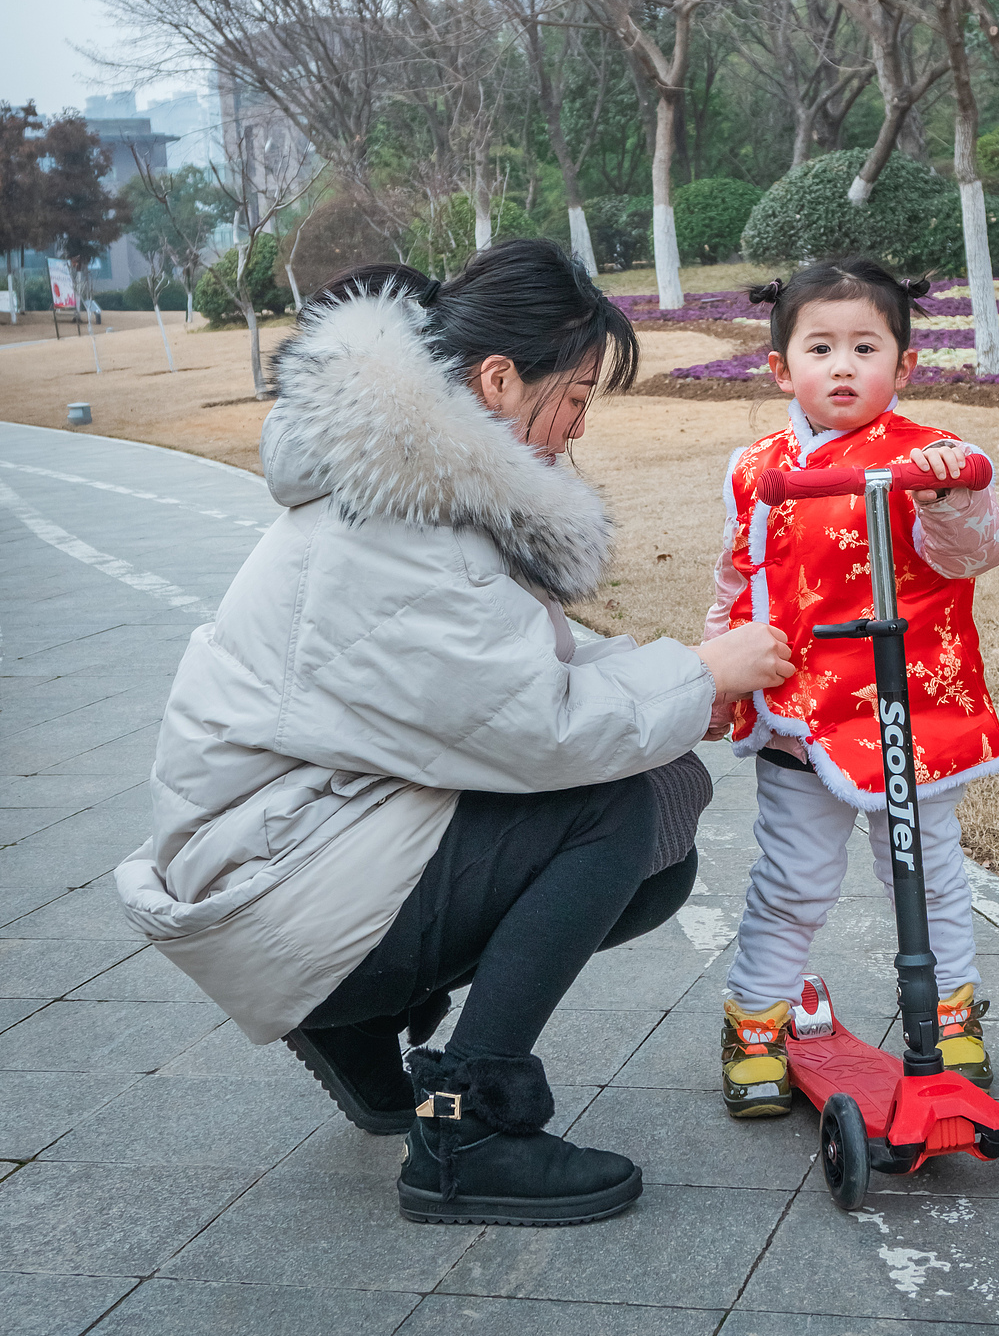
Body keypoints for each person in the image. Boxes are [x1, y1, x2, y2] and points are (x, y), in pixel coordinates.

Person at [116, 241, 792, 1227]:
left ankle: (361, 1022)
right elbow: (540, 729)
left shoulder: (407, 475)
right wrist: (698, 676)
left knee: (653, 835)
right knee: (609, 812)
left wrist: (695, 674)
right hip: (267, 885)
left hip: (290, 846)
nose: (576, 426)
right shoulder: (402, 519)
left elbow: (512, 681)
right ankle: (465, 1127)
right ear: (496, 379)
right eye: (574, 394)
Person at [703, 257, 999, 1118]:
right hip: (802, 716)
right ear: (780, 367)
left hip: (907, 708)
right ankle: (756, 1019)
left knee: (928, 874)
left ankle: (950, 1014)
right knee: (794, 879)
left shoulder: (929, 457)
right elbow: (740, 576)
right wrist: (716, 669)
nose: (843, 366)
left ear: (904, 365)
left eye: (865, 347)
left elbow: (975, 551)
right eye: (821, 347)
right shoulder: (756, 466)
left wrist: (951, 495)